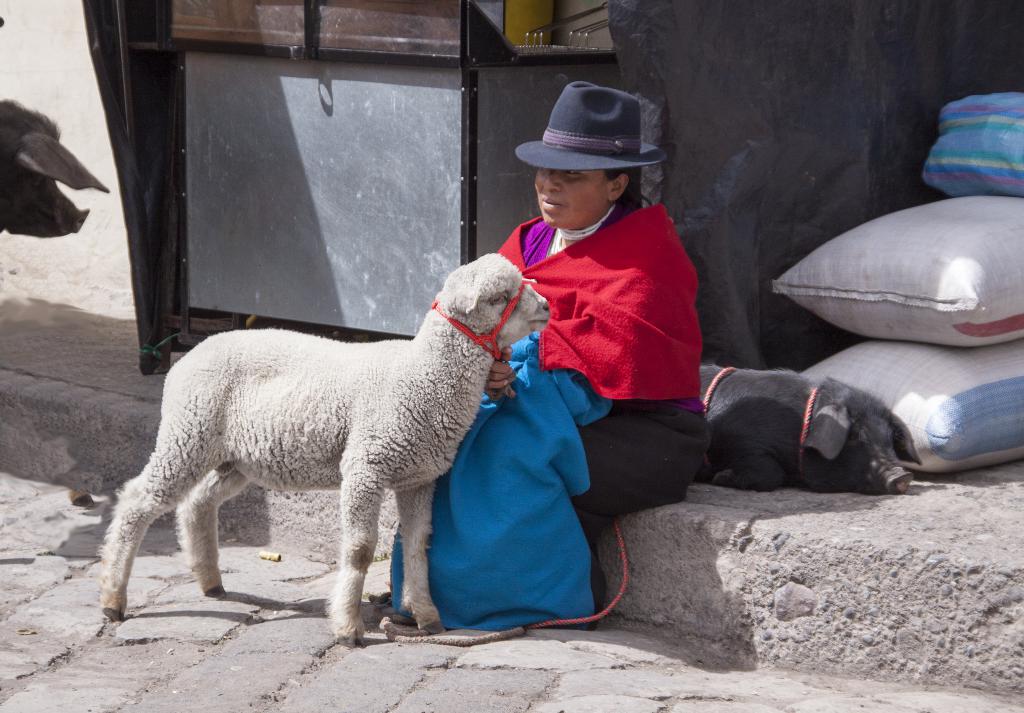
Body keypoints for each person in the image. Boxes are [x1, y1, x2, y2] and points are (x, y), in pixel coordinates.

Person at [391, 81, 707, 630]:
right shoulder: (529, 242)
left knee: (508, 449)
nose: (550, 186)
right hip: (539, 399)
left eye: (573, 175)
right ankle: (433, 592)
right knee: (448, 439)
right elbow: (476, 319)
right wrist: (483, 364)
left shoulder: (649, 256)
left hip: (643, 432)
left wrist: (514, 363)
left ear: (616, 185)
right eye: (545, 171)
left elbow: (613, 350)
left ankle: (540, 601)